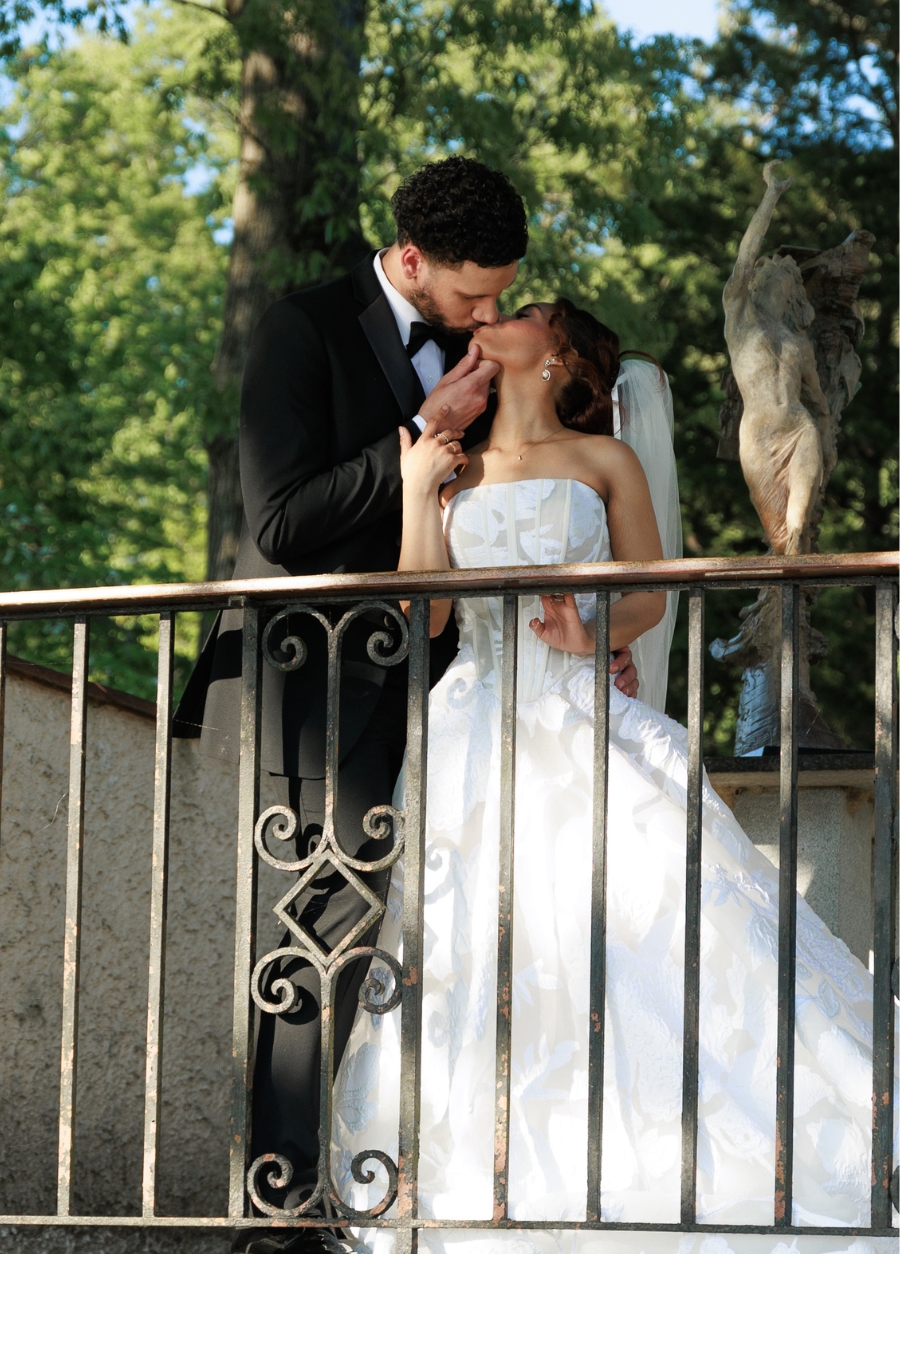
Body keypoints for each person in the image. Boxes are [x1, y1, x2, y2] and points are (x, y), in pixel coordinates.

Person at [328, 297, 898, 1253]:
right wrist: (421, 481)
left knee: (645, 913)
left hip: (580, 707)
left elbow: (656, 590)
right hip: (473, 721)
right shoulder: (450, 466)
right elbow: (424, 618)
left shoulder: (605, 462)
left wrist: (592, 634)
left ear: (558, 356)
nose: (497, 315)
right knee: (477, 934)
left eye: (527, 312)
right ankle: (477, 1179)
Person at [172, 157, 639, 1246]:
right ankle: (280, 1210)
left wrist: (591, 636)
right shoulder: (304, 328)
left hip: (473, 694)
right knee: (323, 922)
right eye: (474, 294)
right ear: (413, 260)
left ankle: (450, 1178)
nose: (488, 314)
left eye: (503, 295)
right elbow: (280, 522)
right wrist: (415, 439)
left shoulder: (503, 372)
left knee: (460, 931)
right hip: (328, 683)